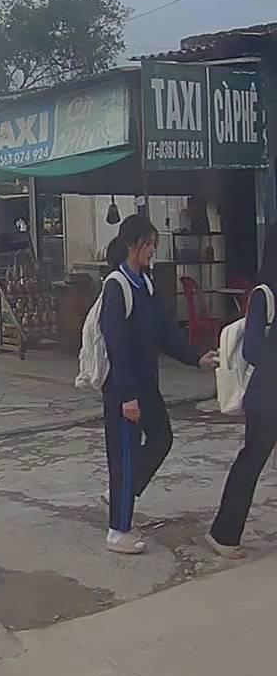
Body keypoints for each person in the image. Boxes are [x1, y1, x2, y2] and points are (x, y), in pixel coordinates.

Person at [100, 214, 218, 554]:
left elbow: (164, 332)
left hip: (147, 384)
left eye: (154, 244)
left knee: (162, 437)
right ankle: (118, 531)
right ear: (131, 245)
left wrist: (197, 357)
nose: (153, 250)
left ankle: (122, 491)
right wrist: (127, 396)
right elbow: (117, 345)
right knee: (124, 455)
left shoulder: (145, 284)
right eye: (148, 244)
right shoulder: (117, 286)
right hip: (124, 389)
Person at [208, 235, 277, 558]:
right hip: (267, 396)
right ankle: (223, 534)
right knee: (251, 463)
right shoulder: (264, 295)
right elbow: (252, 349)